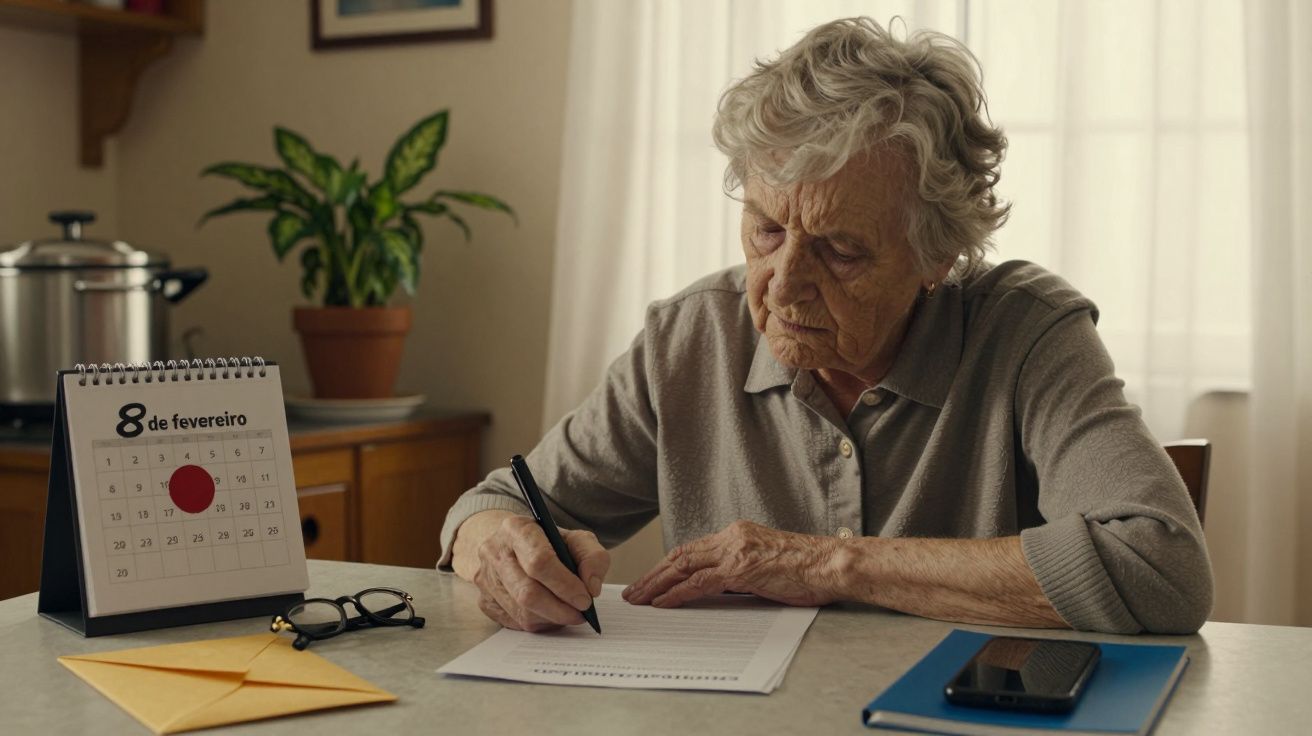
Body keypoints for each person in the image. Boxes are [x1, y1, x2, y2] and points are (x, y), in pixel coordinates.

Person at [437, 17, 1213, 636]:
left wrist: (829, 565)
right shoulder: (691, 339)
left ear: (937, 256)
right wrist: (499, 549)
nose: (784, 283)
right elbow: (494, 502)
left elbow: (1161, 566)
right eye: (767, 230)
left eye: (841, 249)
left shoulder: (1026, 335)